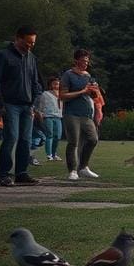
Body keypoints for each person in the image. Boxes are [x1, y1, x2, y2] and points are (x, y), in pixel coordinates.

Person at [0, 25, 42, 187]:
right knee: (11, 137)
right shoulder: (4, 56)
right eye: (27, 42)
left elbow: (35, 81)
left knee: (25, 140)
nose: (30, 45)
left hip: (27, 105)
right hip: (10, 104)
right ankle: (4, 174)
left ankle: (21, 173)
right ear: (18, 38)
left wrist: (34, 102)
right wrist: (0, 104)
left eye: (33, 43)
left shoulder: (31, 57)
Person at [60, 49, 100, 181]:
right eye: (83, 61)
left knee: (93, 139)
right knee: (73, 142)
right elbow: (62, 96)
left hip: (86, 113)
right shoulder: (68, 75)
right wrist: (82, 91)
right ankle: (72, 170)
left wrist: (94, 91)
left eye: (87, 61)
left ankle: (83, 167)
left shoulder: (88, 76)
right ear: (76, 61)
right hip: (72, 113)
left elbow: (94, 96)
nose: (85, 63)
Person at [36, 76, 63, 161]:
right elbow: (40, 106)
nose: (56, 85)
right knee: (49, 135)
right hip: (48, 116)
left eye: (58, 83)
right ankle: (49, 154)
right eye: (54, 83)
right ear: (50, 85)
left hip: (58, 117)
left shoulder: (61, 94)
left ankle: (54, 154)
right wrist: (40, 115)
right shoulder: (45, 94)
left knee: (58, 136)